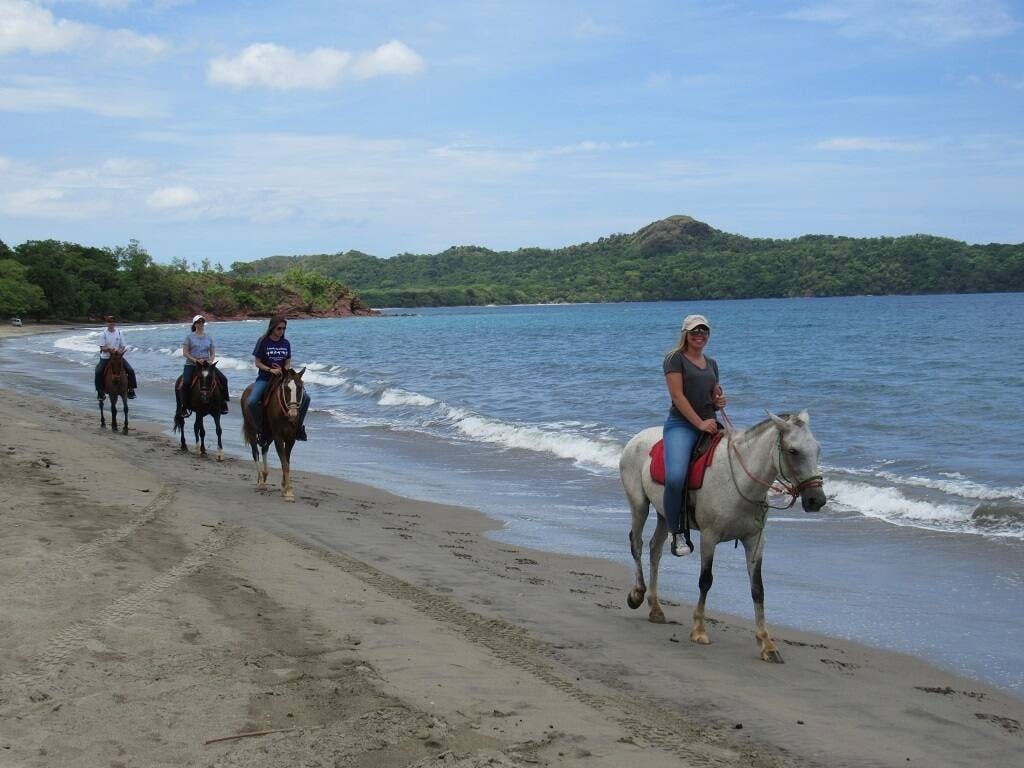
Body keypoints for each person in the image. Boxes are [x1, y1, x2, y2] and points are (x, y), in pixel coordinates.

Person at [662, 314, 727, 556]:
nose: (700, 334)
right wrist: (699, 423)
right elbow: (678, 397)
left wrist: (718, 401)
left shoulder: (712, 363)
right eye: (694, 331)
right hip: (682, 425)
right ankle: (675, 530)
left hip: (710, 422)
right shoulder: (674, 359)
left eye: (704, 331)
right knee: (676, 477)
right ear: (685, 334)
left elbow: (711, 396)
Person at [246, 316, 309, 441]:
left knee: (306, 398)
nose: (282, 331)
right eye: (279, 328)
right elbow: (257, 363)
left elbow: (287, 362)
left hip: (283, 378)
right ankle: (260, 429)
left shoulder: (286, 343)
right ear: (272, 328)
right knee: (252, 401)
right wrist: (271, 370)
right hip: (265, 378)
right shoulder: (263, 341)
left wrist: (284, 370)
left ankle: (298, 427)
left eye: (284, 328)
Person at [181, 314, 230, 415]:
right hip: (192, 365)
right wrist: (195, 360)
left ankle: (223, 403)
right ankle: (184, 406)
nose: (201, 324)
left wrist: (211, 361)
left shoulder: (209, 337)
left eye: (202, 322)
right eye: (198, 322)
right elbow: (185, 353)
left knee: (224, 379)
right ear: (194, 324)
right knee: (185, 382)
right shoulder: (189, 337)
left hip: (206, 365)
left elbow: (212, 352)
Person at [95, 315, 138, 400]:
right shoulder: (103, 334)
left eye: (113, 322)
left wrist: (120, 351)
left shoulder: (119, 333)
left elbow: (123, 346)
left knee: (130, 370)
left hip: (117, 357)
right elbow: (102, 348)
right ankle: (100, 392)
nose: (111, 323)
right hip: (106, 357)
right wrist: (109, 349)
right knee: (98, 371)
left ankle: (131, 390)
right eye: (109, 322)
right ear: (107, 323)